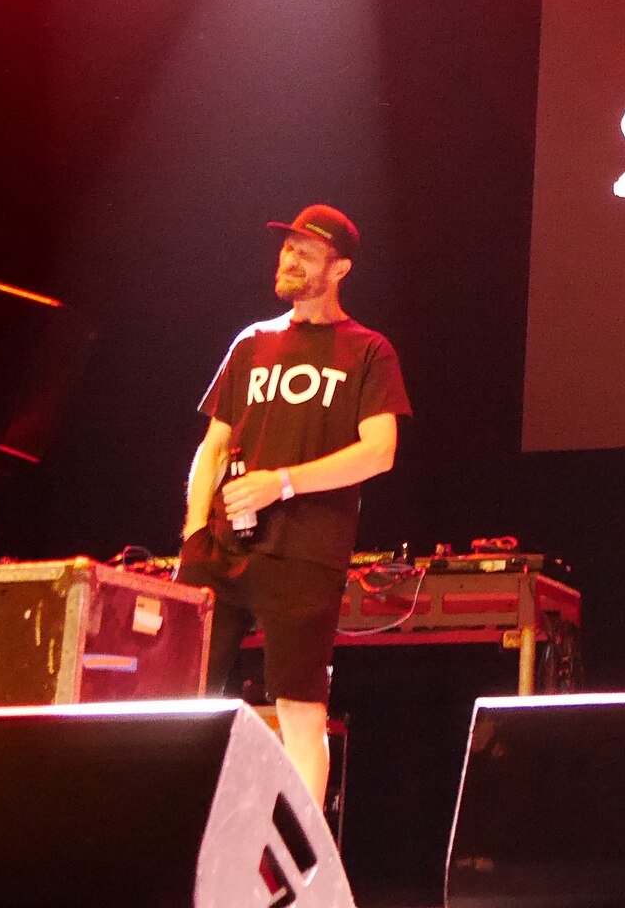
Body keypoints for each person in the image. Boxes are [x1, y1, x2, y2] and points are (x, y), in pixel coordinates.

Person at [176, 205, 410, 805]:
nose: (290, 259)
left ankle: (303, 857)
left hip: (305, 553)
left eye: (306, 252)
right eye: (288, 248)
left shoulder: (368, 350)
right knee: (180, 703)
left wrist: (281, 483)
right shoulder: (252, 342)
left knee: (301, 714)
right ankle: (178, 838)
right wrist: (194, 533)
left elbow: (379, 452)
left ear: (340, 269)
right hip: (220, 549)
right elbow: (213, 445)